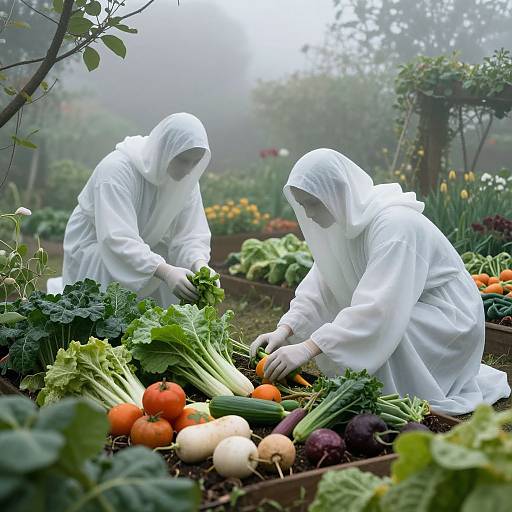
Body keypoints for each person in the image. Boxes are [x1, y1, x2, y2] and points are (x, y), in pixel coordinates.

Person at [250, 148, 510, 415]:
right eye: (303, 205)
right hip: (409, 306)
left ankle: (404, 391)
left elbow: (381, 308)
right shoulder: (341, 224)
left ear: (337, 193)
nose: (309, 214)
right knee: (355, 319)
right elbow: (319, 288)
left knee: (386, 328)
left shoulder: (395, 225)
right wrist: (285, 330)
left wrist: (308, 348)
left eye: (313, 203)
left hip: (450, 318)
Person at [51, 113, 216, 306]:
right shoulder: (116, 170)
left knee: (169, 258)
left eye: (195, 162)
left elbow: (190, 234)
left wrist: (201, 266)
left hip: (141, 242)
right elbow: (116, 238)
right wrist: (166, 271)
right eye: (182, 160)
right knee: (117, 284)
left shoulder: (186, 180)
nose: (188, 169)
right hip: (96, 244)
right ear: (165, 149)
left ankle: (159, 325)